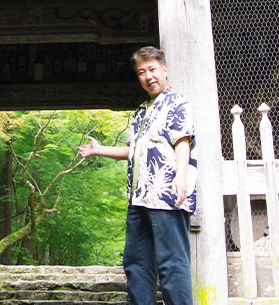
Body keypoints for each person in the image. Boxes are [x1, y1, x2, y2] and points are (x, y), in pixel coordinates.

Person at [78, 46, 196, 305]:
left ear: (164, 69)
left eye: (152, 69)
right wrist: (99, 150)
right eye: (142, 72)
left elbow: (182, 141)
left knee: (171, 264)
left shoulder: (177, 102)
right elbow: (133, 150)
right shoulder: (141, 111)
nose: (148, 76)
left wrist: (181, 176)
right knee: (136, 263)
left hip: (166, 193)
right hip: (139, 197)